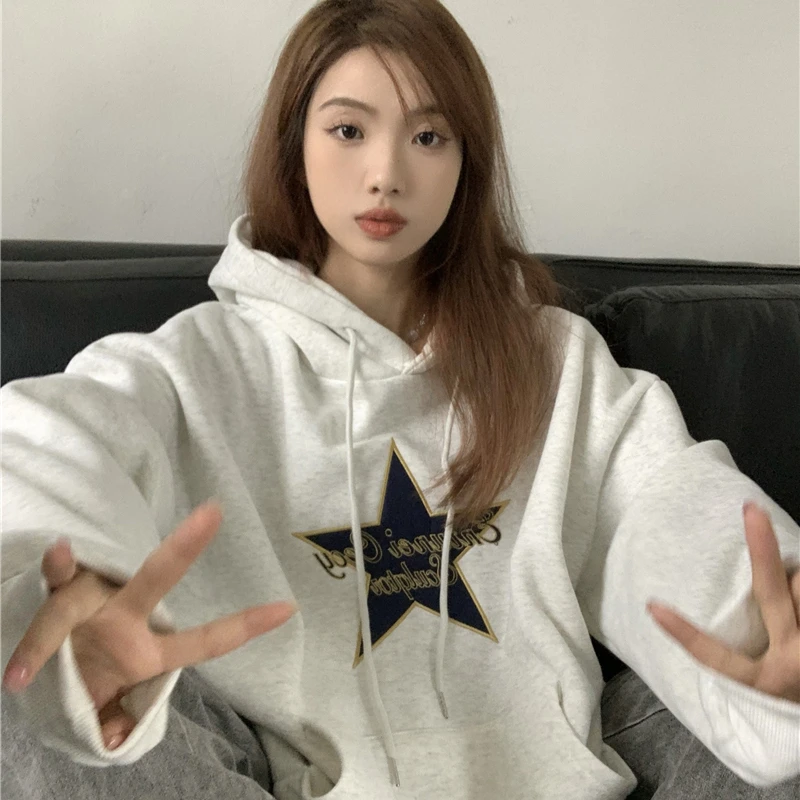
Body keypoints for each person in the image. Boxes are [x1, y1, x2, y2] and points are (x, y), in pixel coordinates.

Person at [2, 0, 798, 798]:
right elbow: (48, 440)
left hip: (559, 781)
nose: (386, 173)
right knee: (25, 677)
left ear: (466, 160)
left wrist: (767, 626)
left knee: (776, 704)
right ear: (294, 144)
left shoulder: (554, 360)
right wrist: (71, 591)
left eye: (428, 136)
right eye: (349, 130)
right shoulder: (198, 365)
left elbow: (667, 498)